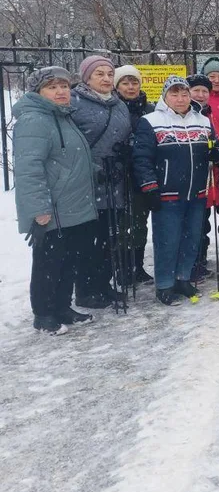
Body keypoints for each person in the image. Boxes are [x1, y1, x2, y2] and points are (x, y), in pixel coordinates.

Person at [14, 67, 98, 334]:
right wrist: (39, 209)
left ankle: (62, 307)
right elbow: (29, 168)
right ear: (38, 92)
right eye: (52, 87)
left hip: (72, 206)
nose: (61, 91)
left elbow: (67, 159)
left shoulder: (62, 117)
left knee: (68, 260)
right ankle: (43, 314)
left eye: (64, 86)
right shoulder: (34, 120)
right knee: (48, 263)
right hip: (53, 209)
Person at [133, 76, 219, 305]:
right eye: (175, 94)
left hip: (197, 192)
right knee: (167, 241)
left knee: (192, 238)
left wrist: (216, 154)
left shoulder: (202, 120)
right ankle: (164, 284)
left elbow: (216, 147)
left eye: (184, 94)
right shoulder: (150, 121)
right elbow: (142, 158)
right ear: (165, 96)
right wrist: (149, 186)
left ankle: (183, 278)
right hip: (167, 193)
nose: (180, 99)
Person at [70, 55, 131, 308]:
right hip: (87, 183)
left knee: (110, 237)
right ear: (86, 77)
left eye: (109, 74)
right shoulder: (74, 103)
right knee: (89, 239)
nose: (106, 79)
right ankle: (85, 289)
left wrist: (127, 151)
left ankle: (104, 284)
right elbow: (70, 145)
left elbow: (126, 135)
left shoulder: (119, 105)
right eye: (99, 74)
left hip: (115, 181)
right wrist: (93, 168)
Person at [114, 65, 155, 286]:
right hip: (118, 174)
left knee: (140, 220)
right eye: (125, 83)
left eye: (134, 82)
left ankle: (137, 266)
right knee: (121, 224)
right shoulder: (113, 107)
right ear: (117, 85)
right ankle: (122, 267)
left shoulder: (149, 109)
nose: (130, 87)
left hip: (143, 172)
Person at [187, 73, 217, 280]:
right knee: (188, 224)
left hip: (207, 178)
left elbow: (217, 142)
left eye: (204, 91)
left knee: (202, 222)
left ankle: (199, 260)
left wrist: (218, 154)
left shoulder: (208, 114)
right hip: (185, 179)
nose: (200, 95)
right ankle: (187, 264)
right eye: (195, 90)